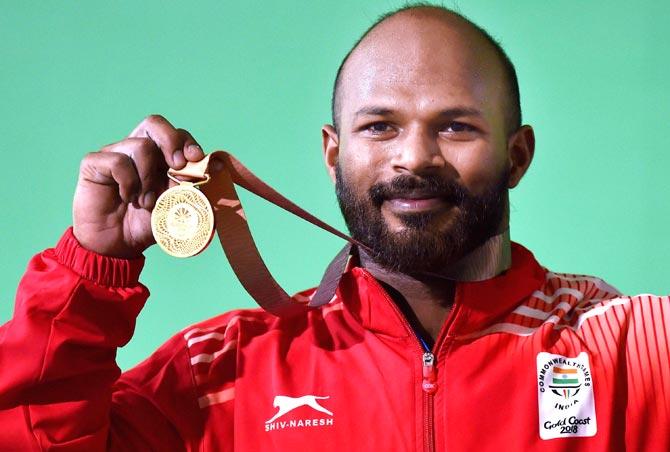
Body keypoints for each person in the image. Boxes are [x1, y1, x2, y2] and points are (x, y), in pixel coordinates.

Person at [0, 4, 668, 451]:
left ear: (516, 156)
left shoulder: (624, 352)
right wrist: (90, 272)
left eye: (456, 125)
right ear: (332, 154)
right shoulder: (222, 370)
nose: (414, 157)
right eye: (379, 126)